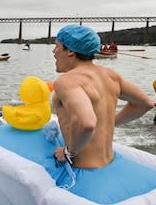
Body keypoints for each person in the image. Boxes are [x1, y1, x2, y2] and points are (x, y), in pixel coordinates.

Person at [52, 25, 153, 168]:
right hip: (108, 161)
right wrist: (112, 122)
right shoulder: (111, 75)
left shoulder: (67, 81)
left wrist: (69, 152)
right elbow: (145, 103)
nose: (53, 51)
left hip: (82, 168)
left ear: (70, 51)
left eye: (57, 46)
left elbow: (87, 123)